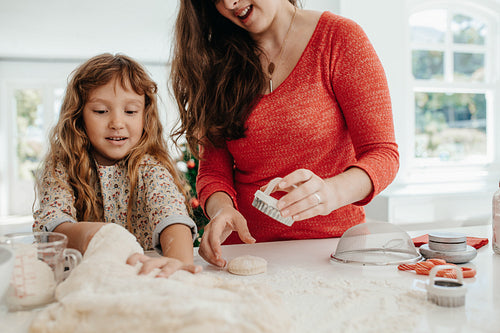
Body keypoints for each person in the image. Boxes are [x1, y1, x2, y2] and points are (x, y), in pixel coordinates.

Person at [170, 0, 399, 267]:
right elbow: (214, 172)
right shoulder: (218, 60)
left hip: (333, 253)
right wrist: (223, 211)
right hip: (245, 254)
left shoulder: (339, 38)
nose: (229, 3)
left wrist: (332, 192)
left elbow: (383, 154)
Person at [33, 53, 201, 277]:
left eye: (130, 111)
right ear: (78, 115)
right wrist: (101, 237)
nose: (117, 123)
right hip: (82, 277)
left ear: (145, 116)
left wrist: (178, 263)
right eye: (101, 111)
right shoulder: (61, 166)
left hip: (139, 277)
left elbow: (172, 216)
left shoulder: (150, 167)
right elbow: (54, 226)